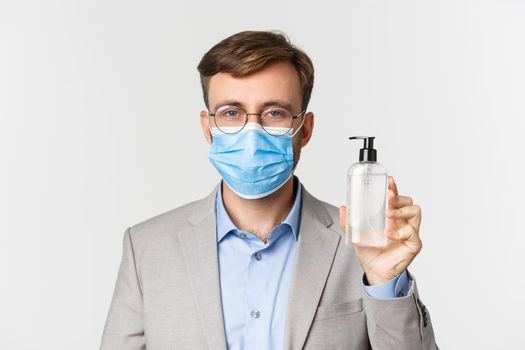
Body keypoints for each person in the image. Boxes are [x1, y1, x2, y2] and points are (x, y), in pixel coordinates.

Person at [100, 30, 439, 350]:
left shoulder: (361, 244)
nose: (251, 132)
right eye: (231, 113)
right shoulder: (146, 248)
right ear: (208, 127)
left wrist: (385, 283)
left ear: (304, 130)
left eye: (274, 113)